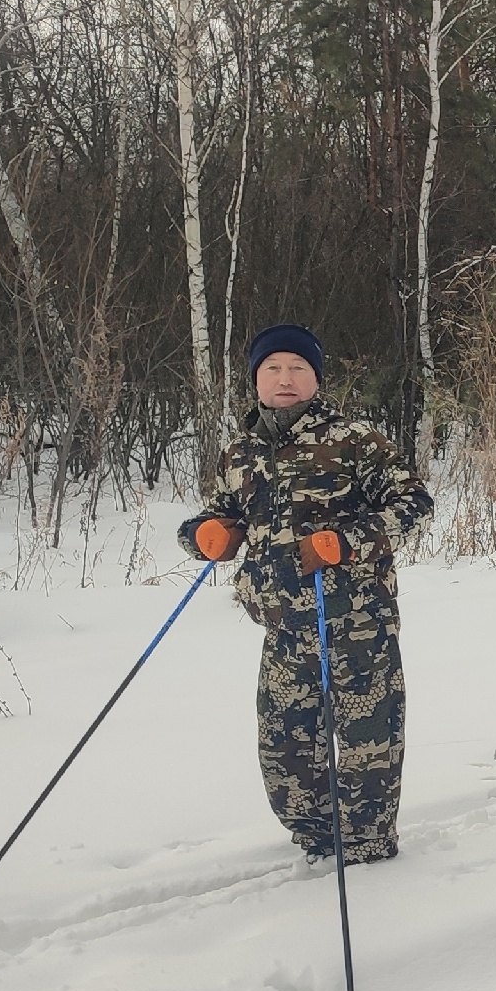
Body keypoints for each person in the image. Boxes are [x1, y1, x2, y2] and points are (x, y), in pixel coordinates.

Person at [179, 324, 434, 864]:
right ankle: (318, 838)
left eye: (298, 368)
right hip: (283, 628)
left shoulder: (354, 438)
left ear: (316, 378)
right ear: (256, 380)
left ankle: (366, 849)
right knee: (285, 751)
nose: (285, 378)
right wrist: (207, 535)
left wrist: (345, 542)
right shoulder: (242, 451)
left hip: (356, 621)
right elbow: (225, 512)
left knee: (368, 746)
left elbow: (413, 502)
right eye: (273, 368)